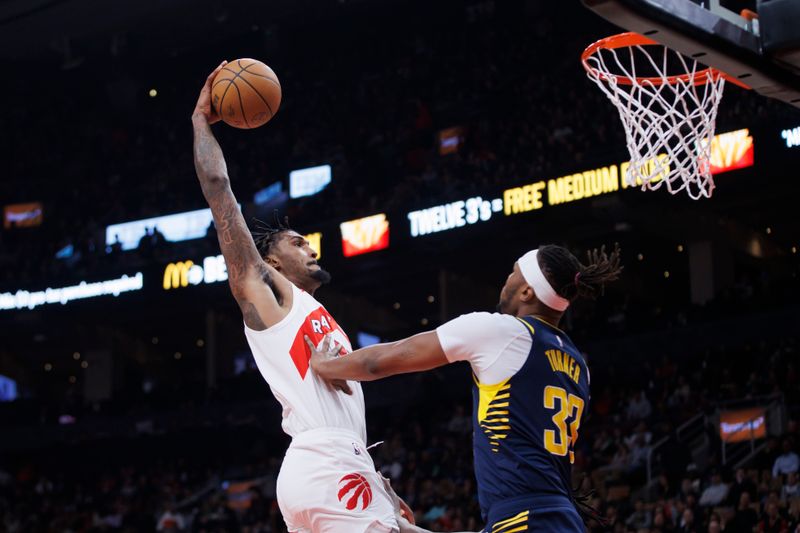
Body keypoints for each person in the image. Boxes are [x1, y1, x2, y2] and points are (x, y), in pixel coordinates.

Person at [191, 61, 401, 533]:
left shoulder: (318, 312)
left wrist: (381, 482)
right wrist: (200, 122)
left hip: (338, 464)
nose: (309, 245)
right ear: (274, 264)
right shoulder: (268, 296)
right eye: (296, 242)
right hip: (325, 459)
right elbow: (220, 191)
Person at [308, 244, 622, 532]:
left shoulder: (503, 332)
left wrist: (324, 365)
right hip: (562, 518)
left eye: (513, 272)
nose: (506, 279)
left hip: (528, 518)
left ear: (527, 291)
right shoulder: (578, 363)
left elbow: (383, 360)